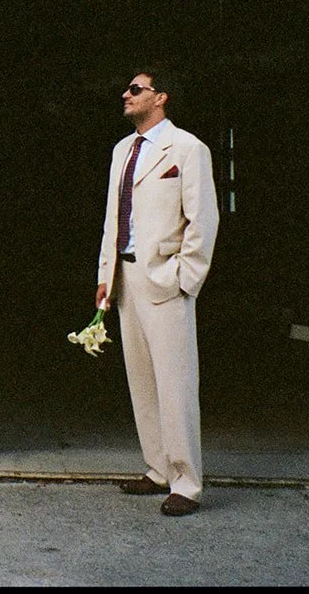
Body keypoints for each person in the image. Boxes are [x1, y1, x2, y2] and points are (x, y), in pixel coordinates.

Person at [93, 70, 218, 517]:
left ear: (160, 97)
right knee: (142, 380)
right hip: (127, 278)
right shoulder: (122, 150)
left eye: (135, 89)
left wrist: (185, 277)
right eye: (127, 89)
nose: (125, 95)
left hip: (166, 279)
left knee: (175, 383)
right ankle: (158, 468)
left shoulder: (187, 149)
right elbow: (114, 218)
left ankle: (187, 482)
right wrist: (105, 275)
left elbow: (203, 220)